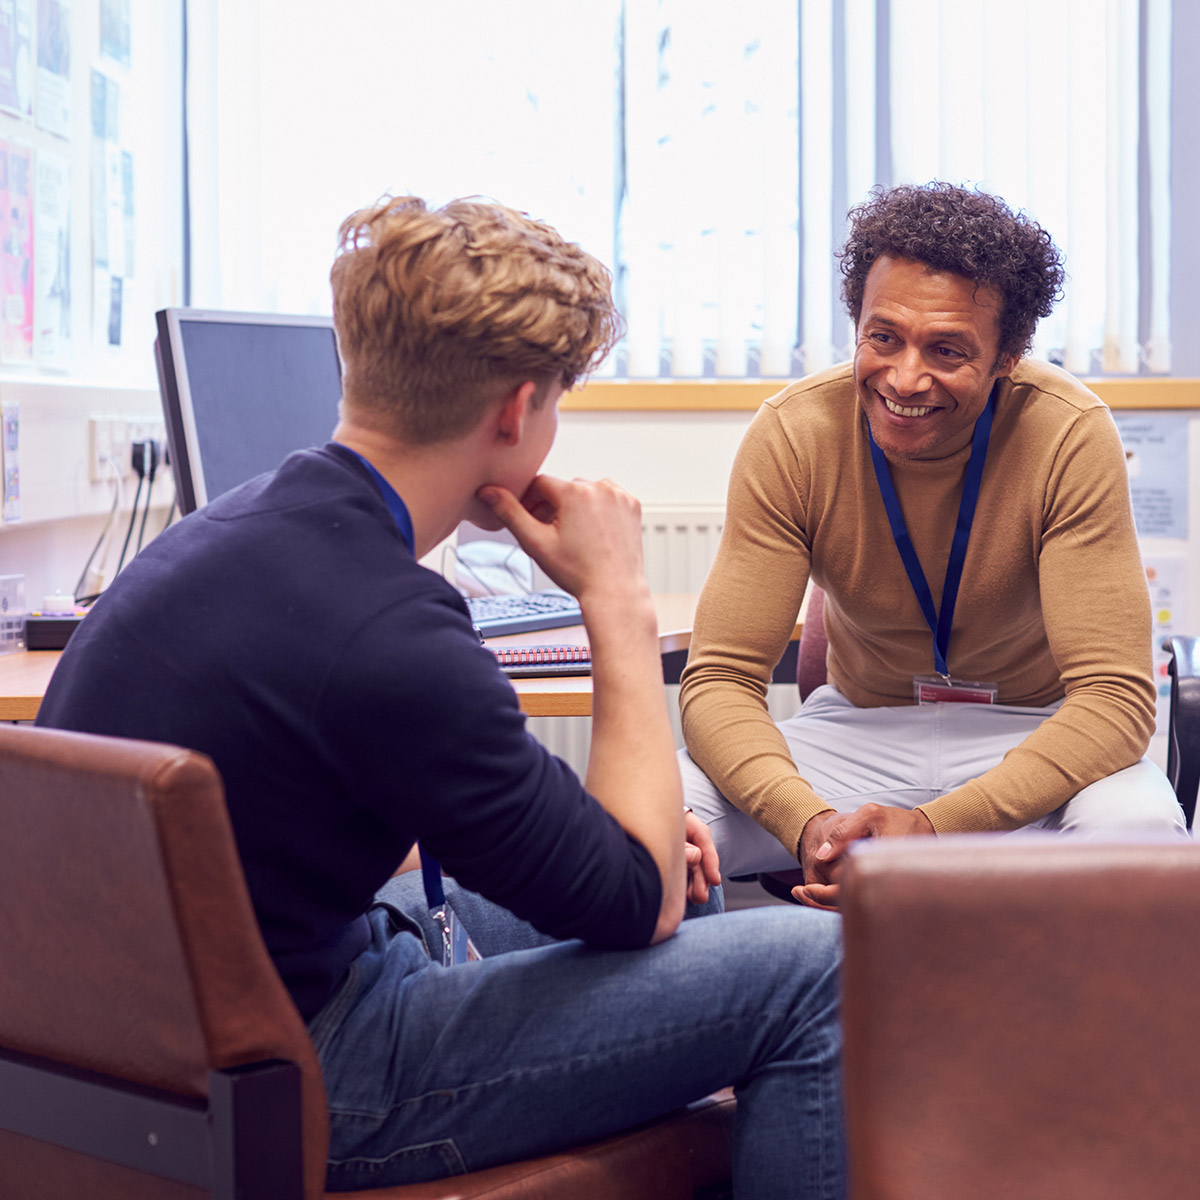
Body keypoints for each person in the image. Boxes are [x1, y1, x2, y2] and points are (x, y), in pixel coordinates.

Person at [37, 195, 844, 1198]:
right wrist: (618, 598)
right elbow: (635, 901)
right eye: (556, 405)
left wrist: (632, 859)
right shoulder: (391, 630)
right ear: (515, 411)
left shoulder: (233, 529)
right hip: (303, 1073)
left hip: (156, 1040)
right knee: (823, 966)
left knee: (695, 881)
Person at [679, 181, 1186, 910]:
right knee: (653, 821)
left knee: (1141, 837)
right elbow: (720, 680)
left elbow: (1114, 700)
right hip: (857, 734)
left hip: (1032, 735)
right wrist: (809, 823)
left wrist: (934, 829)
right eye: (883, 337)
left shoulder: (1068, 434)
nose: (905, 378)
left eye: (947, 350)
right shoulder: (795, 433)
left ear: (1008, 355)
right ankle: (746, 986)